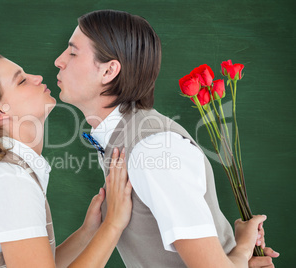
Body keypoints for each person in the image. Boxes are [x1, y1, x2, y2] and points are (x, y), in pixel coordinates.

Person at [54, 10, 279, 268]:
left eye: (72, 52)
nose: (59, 61)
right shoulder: (124, 139)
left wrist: (241, 249)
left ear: (108, 71)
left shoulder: (155, 151)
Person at [0, 50, 133, 268]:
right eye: (22, 80)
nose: (38, 78)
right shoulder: (8, 183)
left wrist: (88, 232)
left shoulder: (3, 174)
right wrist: (113, 225)